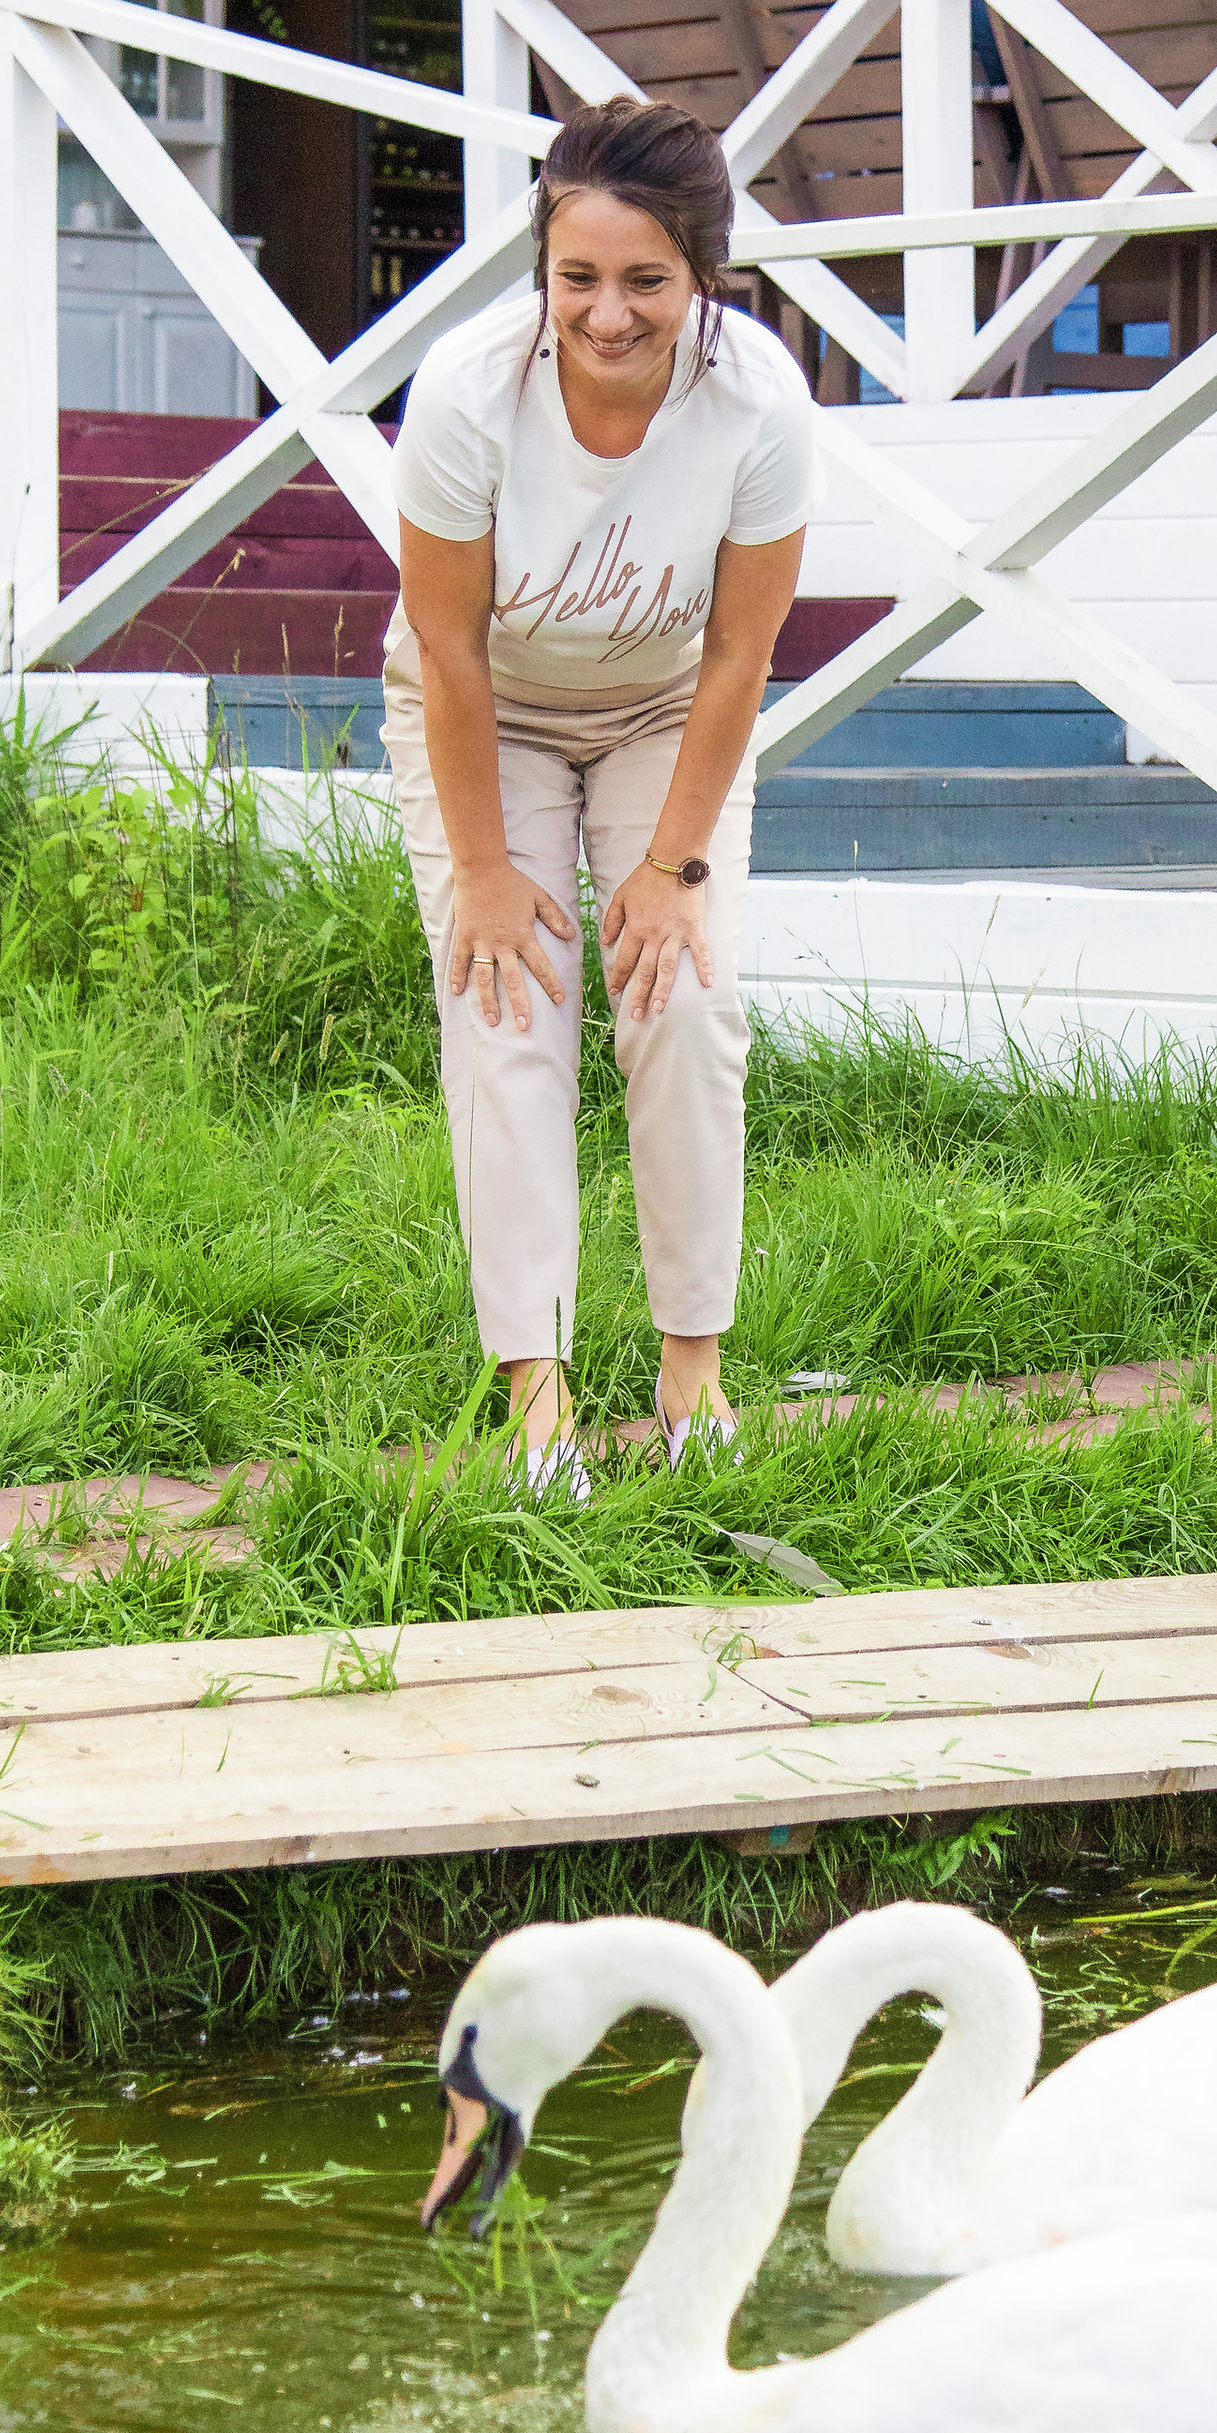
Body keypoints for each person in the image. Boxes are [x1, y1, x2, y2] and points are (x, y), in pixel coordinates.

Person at [383, 96, 818, 1502]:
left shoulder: (760, 403)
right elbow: (446, 645)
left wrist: (675, 865)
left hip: (661, 716)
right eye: (579, 278)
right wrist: (486, 870)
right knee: (505, 1005)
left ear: (702, 274)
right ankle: (539, 1396)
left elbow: (744, 649)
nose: (609, 314)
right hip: (486, 714)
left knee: (683, 1002)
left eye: (646, 281)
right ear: (543, 272)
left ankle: (692, 1368)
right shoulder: (464, 394)